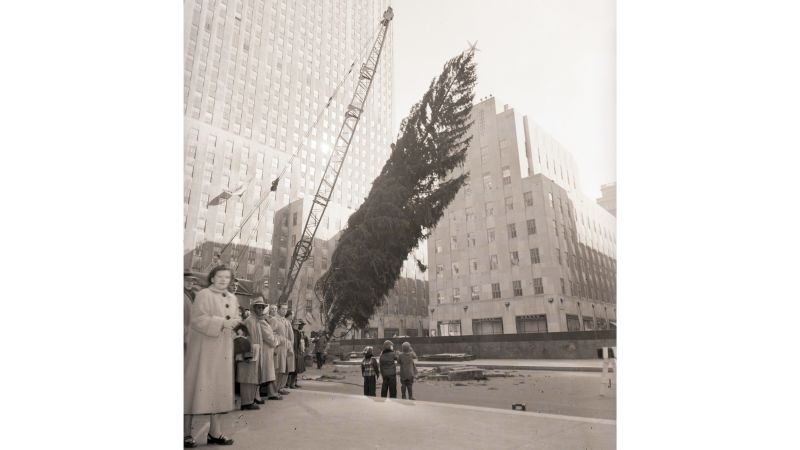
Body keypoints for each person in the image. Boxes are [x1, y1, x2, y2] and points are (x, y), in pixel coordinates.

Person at [184, 265, 239, 447]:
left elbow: (235, 318)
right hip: (203, 350)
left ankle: (215, 433)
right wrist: (222, 323)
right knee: (196, 388)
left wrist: (234, 322)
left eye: (227, 277)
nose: (223, 280)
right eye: (220, 276)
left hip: (223, 349)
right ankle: (185, 433)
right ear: (212, 278)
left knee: (218, 389)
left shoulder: (232, 298)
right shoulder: (203, 295)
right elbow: (197, 320)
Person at [236, 297, 275, 410]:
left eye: (262, 307)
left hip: (255, 353)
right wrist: (247, 353)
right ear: (254, 308)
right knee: (247, 377)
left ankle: (250, 400)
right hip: (249, 353)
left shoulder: (255, 321)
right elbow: (244, 338)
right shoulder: (250, 321)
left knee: (252, 377)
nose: (261, 309)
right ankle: (246, 402)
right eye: (259, 307)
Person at [267, 304, 290, 396]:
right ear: (279, 310)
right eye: (283, 309)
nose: (284, 311)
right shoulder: (274, 319)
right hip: (277, 347)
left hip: (284, 348)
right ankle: (273, 391)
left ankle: (279, 388)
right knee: (276, 369)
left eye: (286, 309)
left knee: (282, 369)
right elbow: (271, 333)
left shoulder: (284, 321)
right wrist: (277, 342)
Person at [290, 319, 307, 388]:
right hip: (292, 351)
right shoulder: (291, 332)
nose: (297, 326)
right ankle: (290, 383)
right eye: (296, 325)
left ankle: (294, 382)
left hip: (297, 351)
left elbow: (301, 342)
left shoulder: (298, 332)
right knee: (292, 369)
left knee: (297, 368)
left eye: (298, 325)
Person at [183, 271, 198, 352]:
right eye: (187, 280)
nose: (190, 283)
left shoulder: (194, 295)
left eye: (192, 281)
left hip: (190, 334)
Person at [282, 308, 296, 389]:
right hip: (287, 346)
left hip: (289, 346)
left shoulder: (288, 322)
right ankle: (283, 385)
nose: (293, 316)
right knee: (285, 367)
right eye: (292, 314)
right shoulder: (286, 322)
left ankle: (283, 385)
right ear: (290, 315)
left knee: (288, 368)